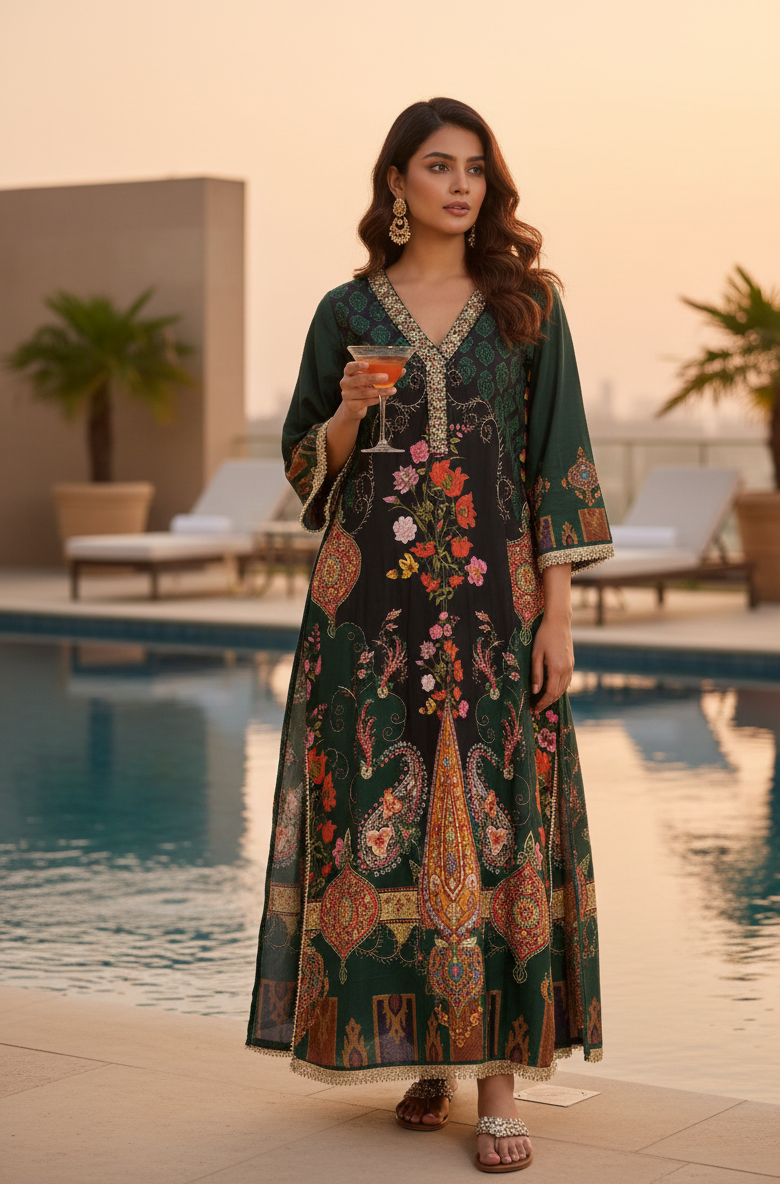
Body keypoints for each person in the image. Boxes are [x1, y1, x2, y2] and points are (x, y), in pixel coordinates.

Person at [247, 97, 613, 1174]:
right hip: (370, 620)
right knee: (384, 814)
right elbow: (303, 466)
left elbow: (562, 464)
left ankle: (495, 1080)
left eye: (477, 169)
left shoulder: (526, 308)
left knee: (494, 819)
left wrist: (560, 613)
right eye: (439, 166)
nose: (462, 185)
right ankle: (422, 1043)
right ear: (397, 183)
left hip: (497, 621)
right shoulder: (342, 311)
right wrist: (353, 411)